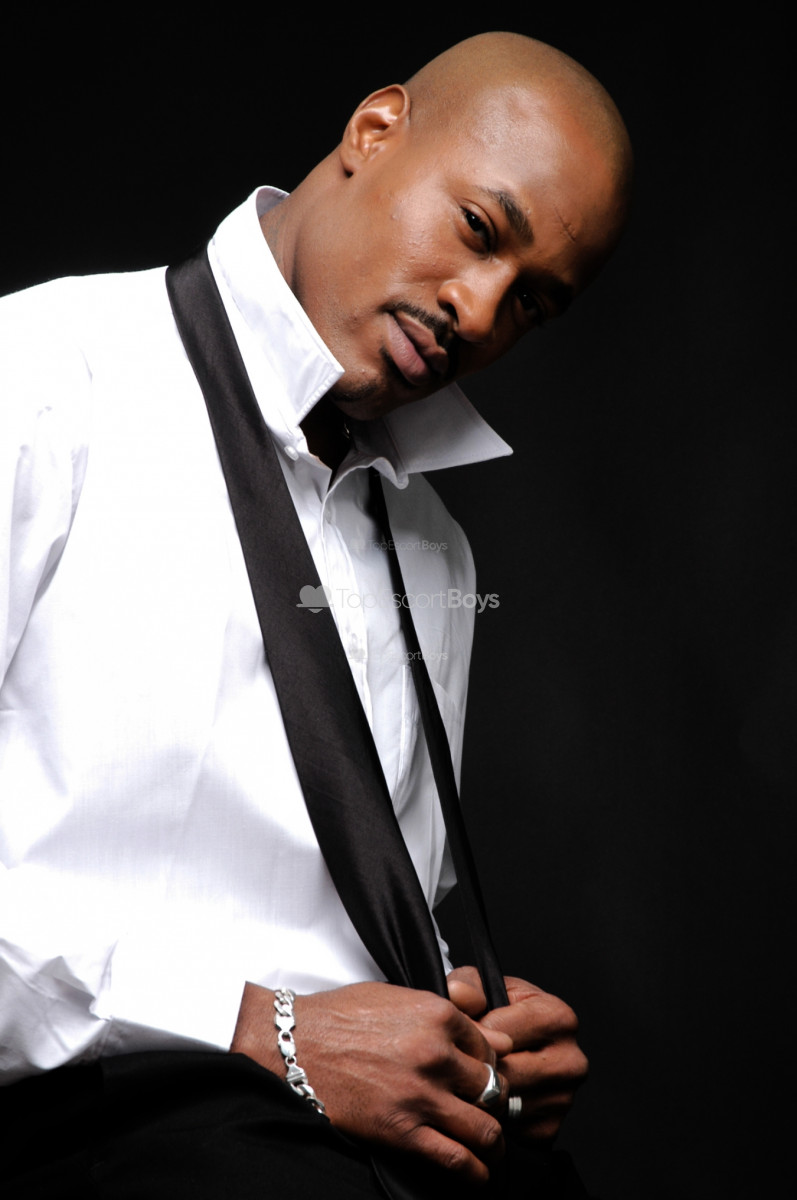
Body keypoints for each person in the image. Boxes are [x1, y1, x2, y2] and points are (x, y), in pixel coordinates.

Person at [0, 30, 632, 1198]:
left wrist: (468, 1038)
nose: (478, 310)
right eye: (478, 230)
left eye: (530, 304)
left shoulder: (433, 551)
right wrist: (264, 1033)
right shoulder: (37, 383)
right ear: (374, 129)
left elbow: (341, 935)